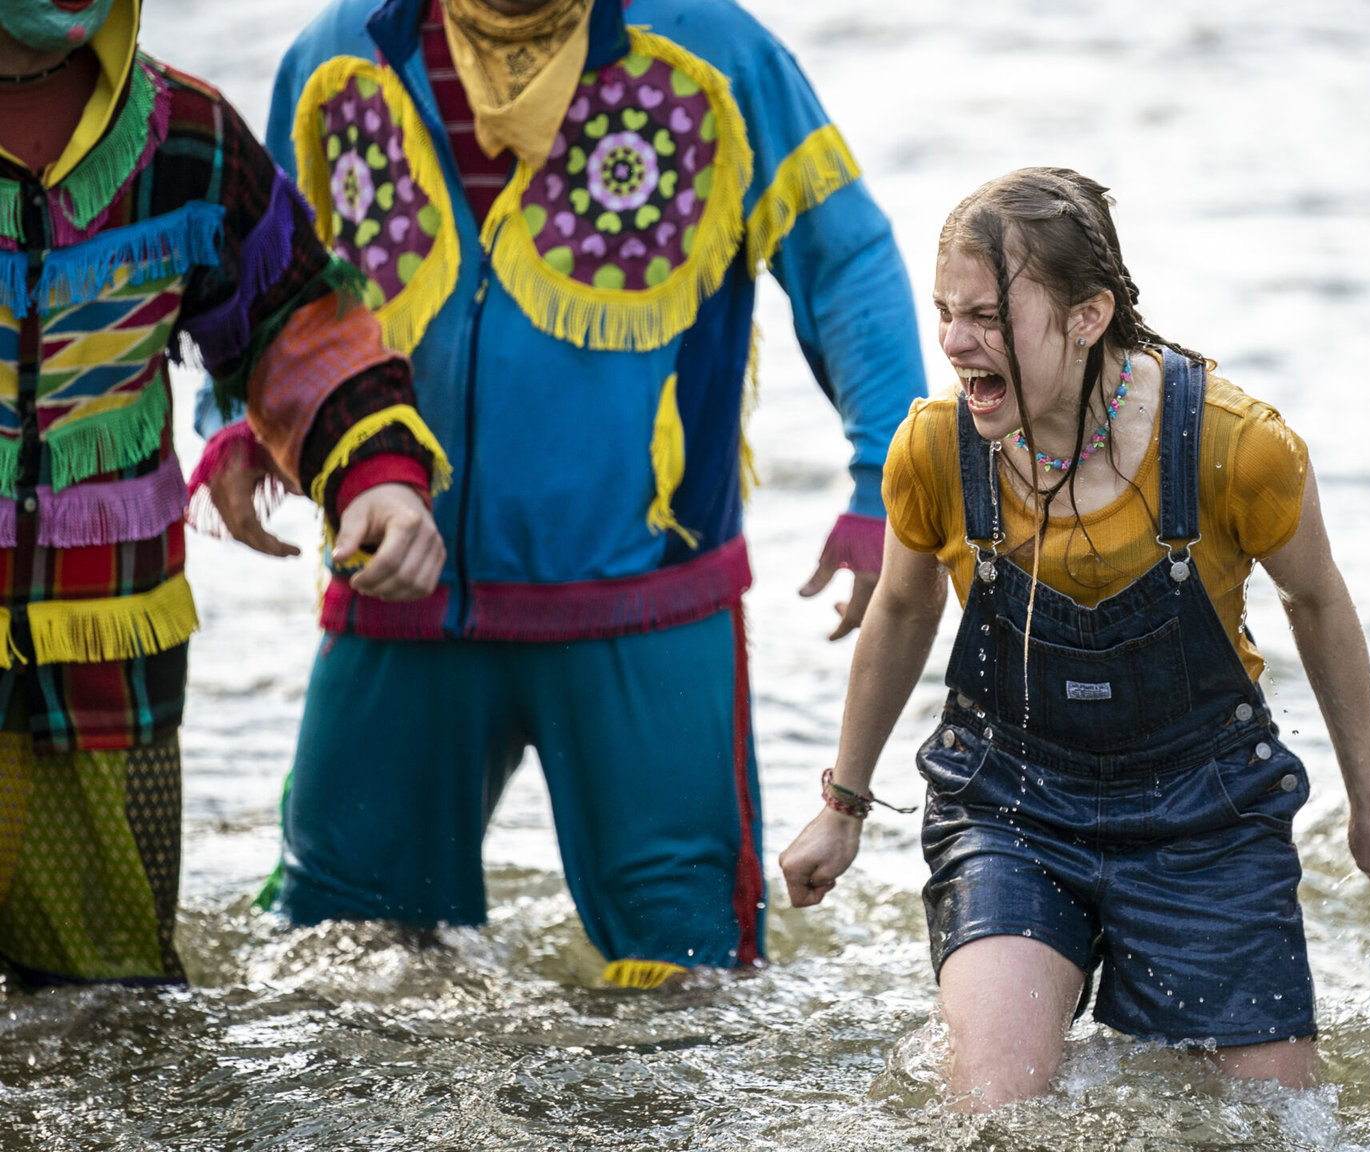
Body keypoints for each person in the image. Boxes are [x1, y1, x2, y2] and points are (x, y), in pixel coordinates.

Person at [200, 0, 925, 985]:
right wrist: (246, 424)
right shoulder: (333, 61)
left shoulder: (715, 51)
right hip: (396, 597)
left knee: (686, 976)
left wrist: (883, 481)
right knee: (338, 962)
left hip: (644, 608)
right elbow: (266, 285)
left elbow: (843, 259)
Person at [778, 168, 1370, 1108]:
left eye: (985, 317)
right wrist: (843, 806)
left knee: (1274, 1122)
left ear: (1089, 315)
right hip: (1010, 806)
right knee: (993, 1108)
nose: (954, 343)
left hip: (1207, 817)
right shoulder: (935, 449)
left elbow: (1321, 603)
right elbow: (899, 611)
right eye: (946, 313)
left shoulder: (1236, 446)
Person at [0, 0, 443, 986]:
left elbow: (295, 320)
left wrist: (376, 480)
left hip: (107, 668)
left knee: (107, 1018)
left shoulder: (186, 139)